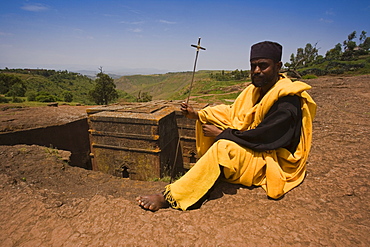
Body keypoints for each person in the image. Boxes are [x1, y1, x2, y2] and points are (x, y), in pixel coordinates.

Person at [136, 41, 317, 211]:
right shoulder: (255, 90)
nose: (256, 70)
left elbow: (266, 137)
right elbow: (232, 113)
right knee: (210, 120)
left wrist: (222, 134)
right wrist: (198, 115)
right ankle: (206, 173)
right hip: (257, 145)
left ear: (278, 67)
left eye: (263, 65)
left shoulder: (287, 101)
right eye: (253, 65)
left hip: (273, 157)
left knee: (223, 147)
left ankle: (170, 197)